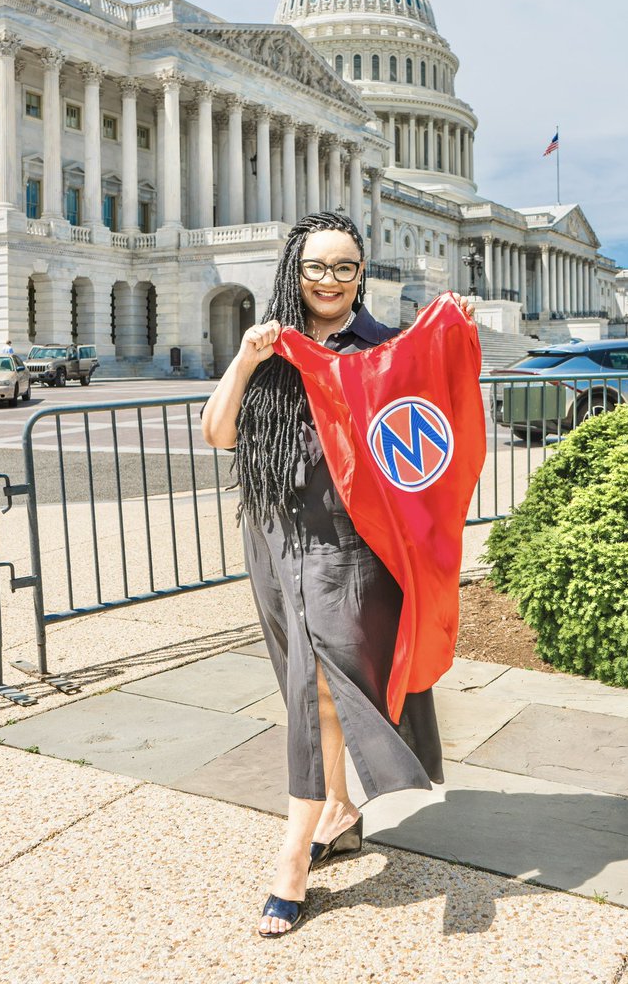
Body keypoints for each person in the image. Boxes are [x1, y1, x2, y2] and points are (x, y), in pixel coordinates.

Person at [201, 211, 477, 938]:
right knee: (302, 684)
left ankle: (292, 856)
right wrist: (247, 361)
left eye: (344, 267)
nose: (329, 281)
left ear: (361, 274)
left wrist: (453, 330)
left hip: (348, 547)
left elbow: (430, 427)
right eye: (316, 267)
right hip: (273, 537)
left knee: (320, 687)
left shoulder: (382, 350)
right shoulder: (273, 348)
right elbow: (219, 432)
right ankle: (341, 812)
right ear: (295, 270)